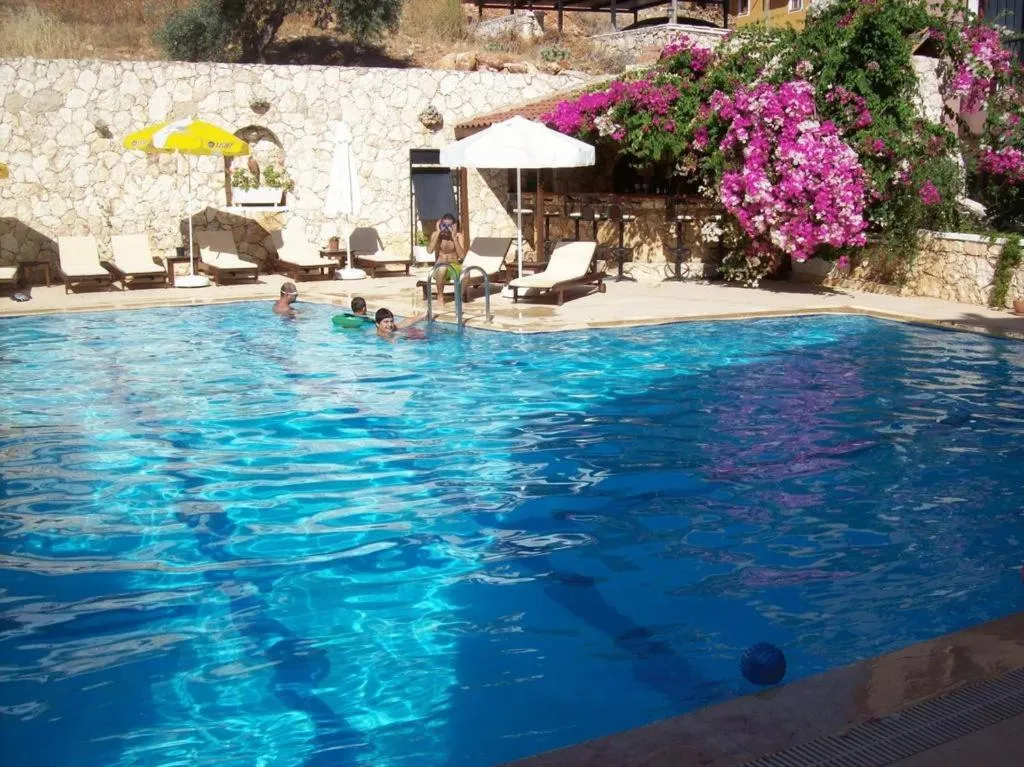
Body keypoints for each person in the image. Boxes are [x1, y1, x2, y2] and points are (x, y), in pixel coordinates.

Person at [427, 212, 466, 307]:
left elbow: (462, 256)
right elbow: (429, 250)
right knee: (442, 268)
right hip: (440, 265)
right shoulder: (436, 234)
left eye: (449, 226)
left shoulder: (458, 236)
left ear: (454, 226)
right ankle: (440, 296)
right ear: (440, 224)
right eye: (444, 225)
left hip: (454, 265)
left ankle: (458, 296)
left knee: (467, 271)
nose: (446, 228)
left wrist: (454, 238)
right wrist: (438, 232)